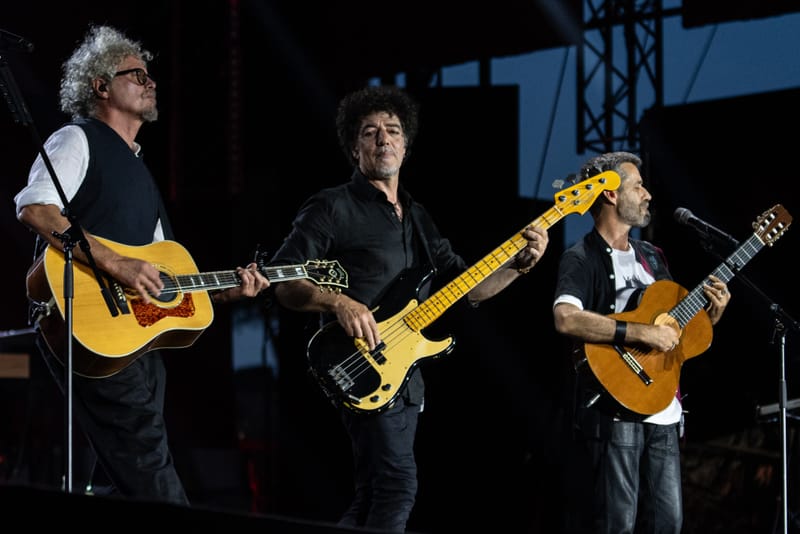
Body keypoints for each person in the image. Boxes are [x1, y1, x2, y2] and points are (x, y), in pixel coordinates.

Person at [267, 84, 549, 532]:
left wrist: (520, 266)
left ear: (406, 144)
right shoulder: (332, 206)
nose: (383, 139)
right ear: (354, 147)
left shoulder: (418, 217)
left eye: (393, 131)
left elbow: (466, 288)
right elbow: (283, 278)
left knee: (372, 493)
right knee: (399, 484)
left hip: (405, 371)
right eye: (370, 132)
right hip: (357, 362)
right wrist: (338, 301)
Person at [14, 25, 269, 505]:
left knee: (124, 477)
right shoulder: (76, 139)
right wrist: (118, 264)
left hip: (136, 335)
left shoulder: (139, 170)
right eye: (137, 74)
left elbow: (159, 274)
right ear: (101, 85)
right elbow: (36, 209)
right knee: (150, 471)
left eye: (150, 76)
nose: (151, 82)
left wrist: (224, 291)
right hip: (84, 322)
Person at [552, 151, 732, 533]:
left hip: (663, 410)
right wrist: (639, 332)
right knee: (618, 524)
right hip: (615, 412)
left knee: (669, 523)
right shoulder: (580, 257)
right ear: (612, 195)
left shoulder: (653, 256)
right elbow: (566, 318)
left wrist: (710, 316)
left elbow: (674, 332)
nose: (648, 194)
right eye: (638, 185)